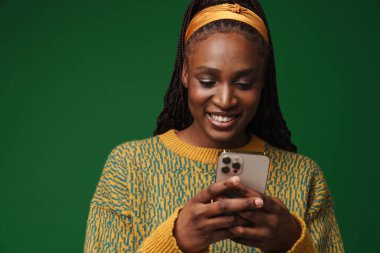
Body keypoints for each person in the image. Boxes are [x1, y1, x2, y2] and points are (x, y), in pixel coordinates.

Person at [84, 0, 344, 252]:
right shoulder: (129, 167)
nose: (225, 100)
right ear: (185, 73)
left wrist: (293, 242)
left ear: (262, 82)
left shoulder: (305, 177)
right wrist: (175, 241)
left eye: (244, 84)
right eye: (208, 81)